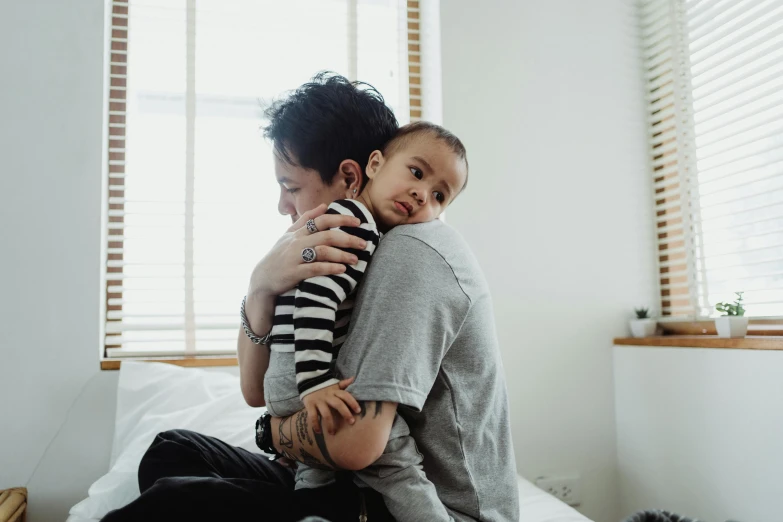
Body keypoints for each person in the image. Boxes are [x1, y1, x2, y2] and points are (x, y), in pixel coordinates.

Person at [102, 72, 519, 522]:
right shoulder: (343, 249)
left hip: (422, 509)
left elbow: (356, 442)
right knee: (170, 453)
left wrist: (271, 432)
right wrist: (261, 284)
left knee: (177, 500)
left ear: (349, 175)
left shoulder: (411, 251)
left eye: (291, 186)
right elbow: (253, 389)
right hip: (347, 482)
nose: (283, 205)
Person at [257, 119, 468, 522]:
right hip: (303, 377)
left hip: (287, 378)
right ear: (373, 165)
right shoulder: (355, 223)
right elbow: (316, 300)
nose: (421, 194)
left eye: (439, 195)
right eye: (417, 172)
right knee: (398, 462)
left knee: (315, 475)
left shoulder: (370, 230)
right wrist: (315, 382)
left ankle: (313, 510)